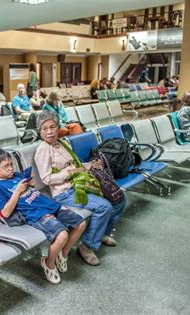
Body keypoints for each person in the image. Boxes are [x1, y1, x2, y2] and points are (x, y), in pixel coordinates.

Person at [34, 111, 126, 266]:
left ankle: (102, 232)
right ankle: (87, 246)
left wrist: (90, 165)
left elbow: (75, 165)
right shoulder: (43, 149)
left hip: (79, 183)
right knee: (104, 206)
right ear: (40, 131)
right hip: (63, 192)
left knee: (119, 199)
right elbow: (46, 178)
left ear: (58, 127)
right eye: (44, 129)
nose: (49, 132)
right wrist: (69, 173)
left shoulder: (62, 143)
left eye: (52, 127)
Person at [0, 148, 87, 284]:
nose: (10, 168)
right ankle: (48, 263)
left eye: (11, 164)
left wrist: (30, 185)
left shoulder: (16, 175)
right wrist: (18, 192)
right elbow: (5, 213)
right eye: (6, 166)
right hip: (36, 213)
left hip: (49, 204)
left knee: (81, 224)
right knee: (62, 235)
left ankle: (63, 254)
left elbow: (29, 191)